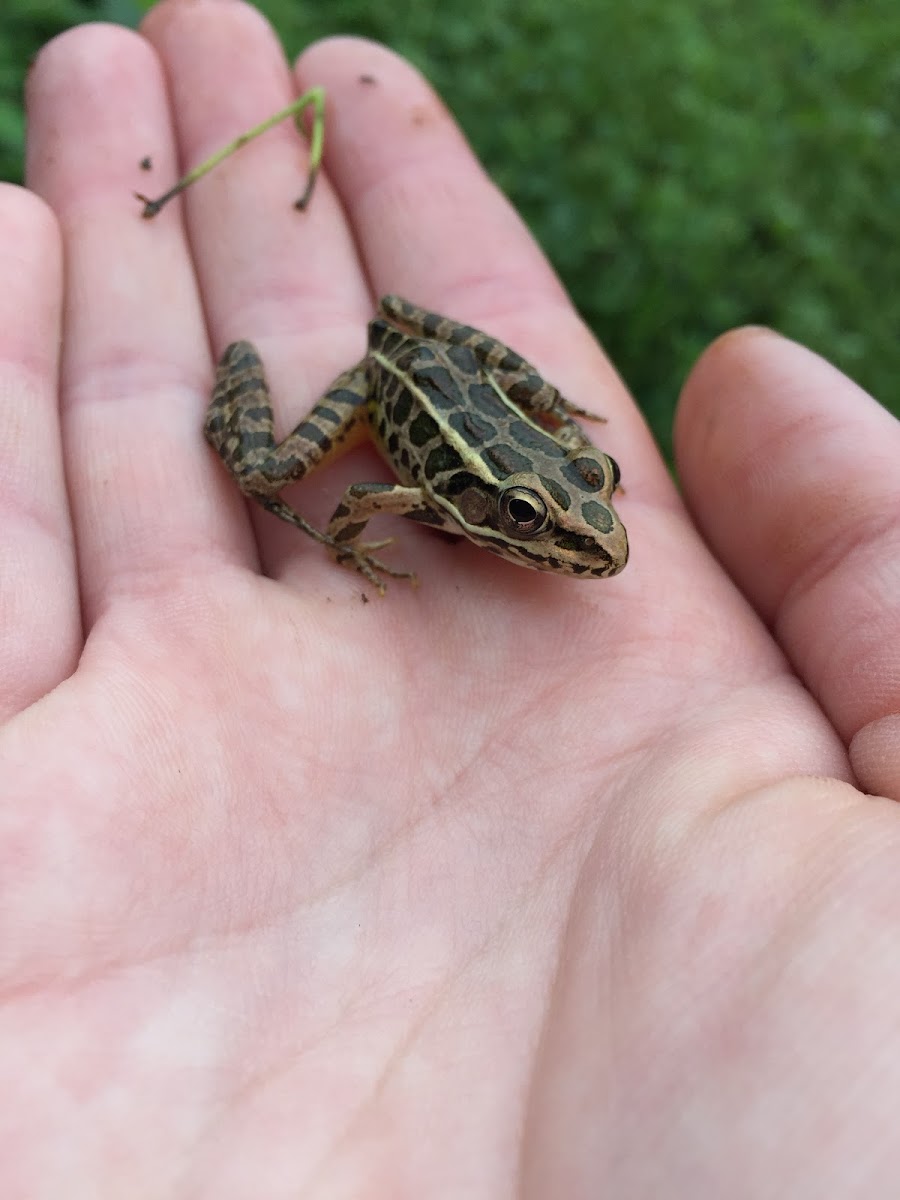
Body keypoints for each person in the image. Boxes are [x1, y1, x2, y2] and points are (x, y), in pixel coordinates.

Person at [4, 1, 899, 1193]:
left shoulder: (567, 509)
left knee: (512, 436)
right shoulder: (442, 504)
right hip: (392, 393)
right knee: (268, 468)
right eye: (540, 525)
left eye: (586, 499)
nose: (580, 540)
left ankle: (506, 428)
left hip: (450, 372)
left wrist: (554, 454)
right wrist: (352, 547)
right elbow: (365, 507)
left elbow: (555, 509)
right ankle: (236, 370)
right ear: (495, 521)